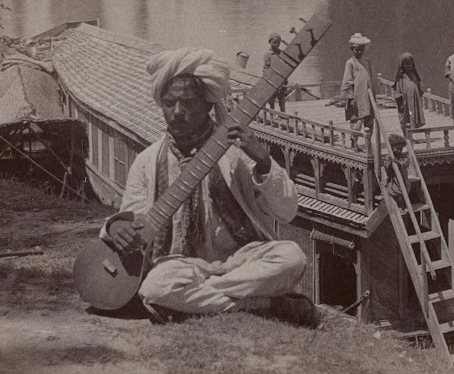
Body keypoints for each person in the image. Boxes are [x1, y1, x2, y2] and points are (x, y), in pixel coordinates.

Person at [101, 47, 320, 328]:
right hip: (181, 267)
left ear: (207, 104)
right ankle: (264, 304)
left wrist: (265, 162)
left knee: (292, 257)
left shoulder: (236, 154)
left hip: (242, 260)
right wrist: (115, 226)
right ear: (161, 105)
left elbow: (287, 212)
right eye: (169, 103)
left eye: (188, 103)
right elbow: (129, 219)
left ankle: (194, 302)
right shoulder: (147, 161)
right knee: (155, 286)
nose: (177, 112)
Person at [340, 33, 374, 135]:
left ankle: (368, 142)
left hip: (367, 96)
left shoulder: (367, 61)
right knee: (356, 120)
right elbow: (347, 81)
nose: (359, 52)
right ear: (352, 49)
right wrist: (350, 98)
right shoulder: (350, 63)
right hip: (356, 96)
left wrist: (374, 94)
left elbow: (371, 78)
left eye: (361, 49)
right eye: (356, 49)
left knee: (369, 119)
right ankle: (354, 142)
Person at [393, 52, 425, 130]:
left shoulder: (414, 76)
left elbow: (419, 88)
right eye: (406, 64)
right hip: (404, 102)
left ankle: (411, 135)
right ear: (402, 65)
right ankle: (406, 136)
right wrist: (400, 99)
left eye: (410, 63)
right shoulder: (401, 78)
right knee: (405, 118)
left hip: (413, 101)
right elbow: (397, 91)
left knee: (413, 117)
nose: (408, 66)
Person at [263, 33, 288, 112]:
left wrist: (285, 79)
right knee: (271, 98)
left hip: (281, 79)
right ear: (270, 42)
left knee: (282, 98)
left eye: (278, 42)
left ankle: (283, 113)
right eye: (274, 42)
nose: (276, 44)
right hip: (272, 79)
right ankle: (272, 114)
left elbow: (285, 67)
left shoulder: (282, 53)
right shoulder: (268, 54)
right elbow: (266, 67)